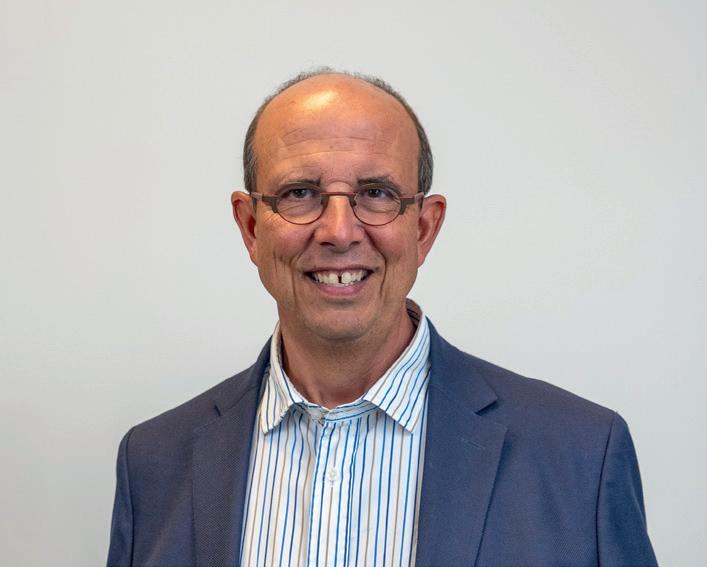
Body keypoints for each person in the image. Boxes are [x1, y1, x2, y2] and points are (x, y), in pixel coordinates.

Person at [107, 70, 658, 567]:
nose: (339, 231)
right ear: (251, 227)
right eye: (300, 193)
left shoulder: (581, 456)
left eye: (376, 193)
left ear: (424, 228)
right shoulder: (153, 464)